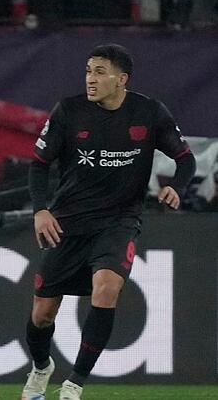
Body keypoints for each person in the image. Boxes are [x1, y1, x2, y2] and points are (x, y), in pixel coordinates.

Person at [21, 44, 196, 400]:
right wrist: (41, 210)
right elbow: (39, 165)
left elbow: (186, 159)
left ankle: (73, 385)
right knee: (42, 314)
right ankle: (41, 368)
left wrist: (176, 188)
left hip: (118, 222)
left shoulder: (149, 113)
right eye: (88, 70)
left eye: (100, 71)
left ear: (121, 79)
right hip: (68, 222)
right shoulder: (68, 111)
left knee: (106, 289)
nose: (90, 78)